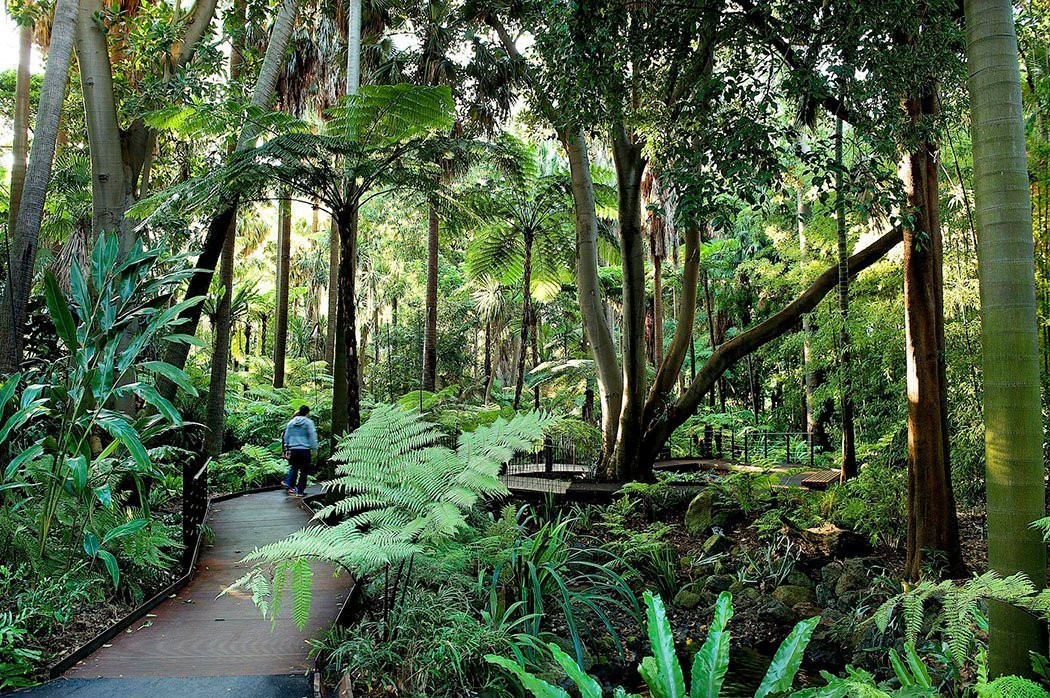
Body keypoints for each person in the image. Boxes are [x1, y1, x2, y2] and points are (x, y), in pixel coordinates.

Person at [282, 405, 318, 496]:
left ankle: (289, 482)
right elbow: (312, 436)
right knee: (304, 470)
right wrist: (314, 448)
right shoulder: (309, 423)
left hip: (293, 449)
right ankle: (300, 490)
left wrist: (287, 447)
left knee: (294, 467)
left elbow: (286, 436)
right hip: (304, 449)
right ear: (307, 413)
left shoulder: (291, 422)